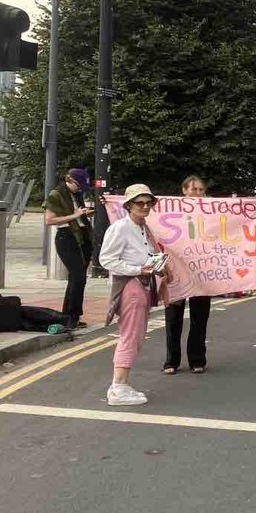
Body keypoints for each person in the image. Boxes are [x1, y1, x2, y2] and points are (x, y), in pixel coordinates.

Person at [99, 184, 169, 406]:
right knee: (131, 336)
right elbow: (106, 260)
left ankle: (121, 384)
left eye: (149, 202)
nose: (145, 206)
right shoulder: (120, 228)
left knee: (135, 336)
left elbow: (147, 255)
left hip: (142, 285)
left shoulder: (143, 228)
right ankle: (118, 387)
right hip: (131, 286)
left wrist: (155, 266)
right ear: (129, 205)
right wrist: (139, 270)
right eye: (140, 202)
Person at [162, 175, 212, 375]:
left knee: (200, 318)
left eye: (201, 190)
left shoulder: (212, 212)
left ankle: (197, 359)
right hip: (176, 271)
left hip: (202, 271)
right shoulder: (170, 209)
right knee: (173, 317)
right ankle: (171, 360)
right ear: (184, 190)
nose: (198, 193)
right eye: (194, 189)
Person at [43, 168, 95, 330]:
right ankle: (69, 316)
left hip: (82, 236)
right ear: (69, 179)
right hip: (66, 238)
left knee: (78, 278)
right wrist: (75, 215)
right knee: (78, 277)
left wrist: (86, 213)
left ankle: (72, 315)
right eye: (78, 186)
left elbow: (79, 216)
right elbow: (50, 220)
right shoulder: (56, 194)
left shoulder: (75, 195)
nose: (80, 190)